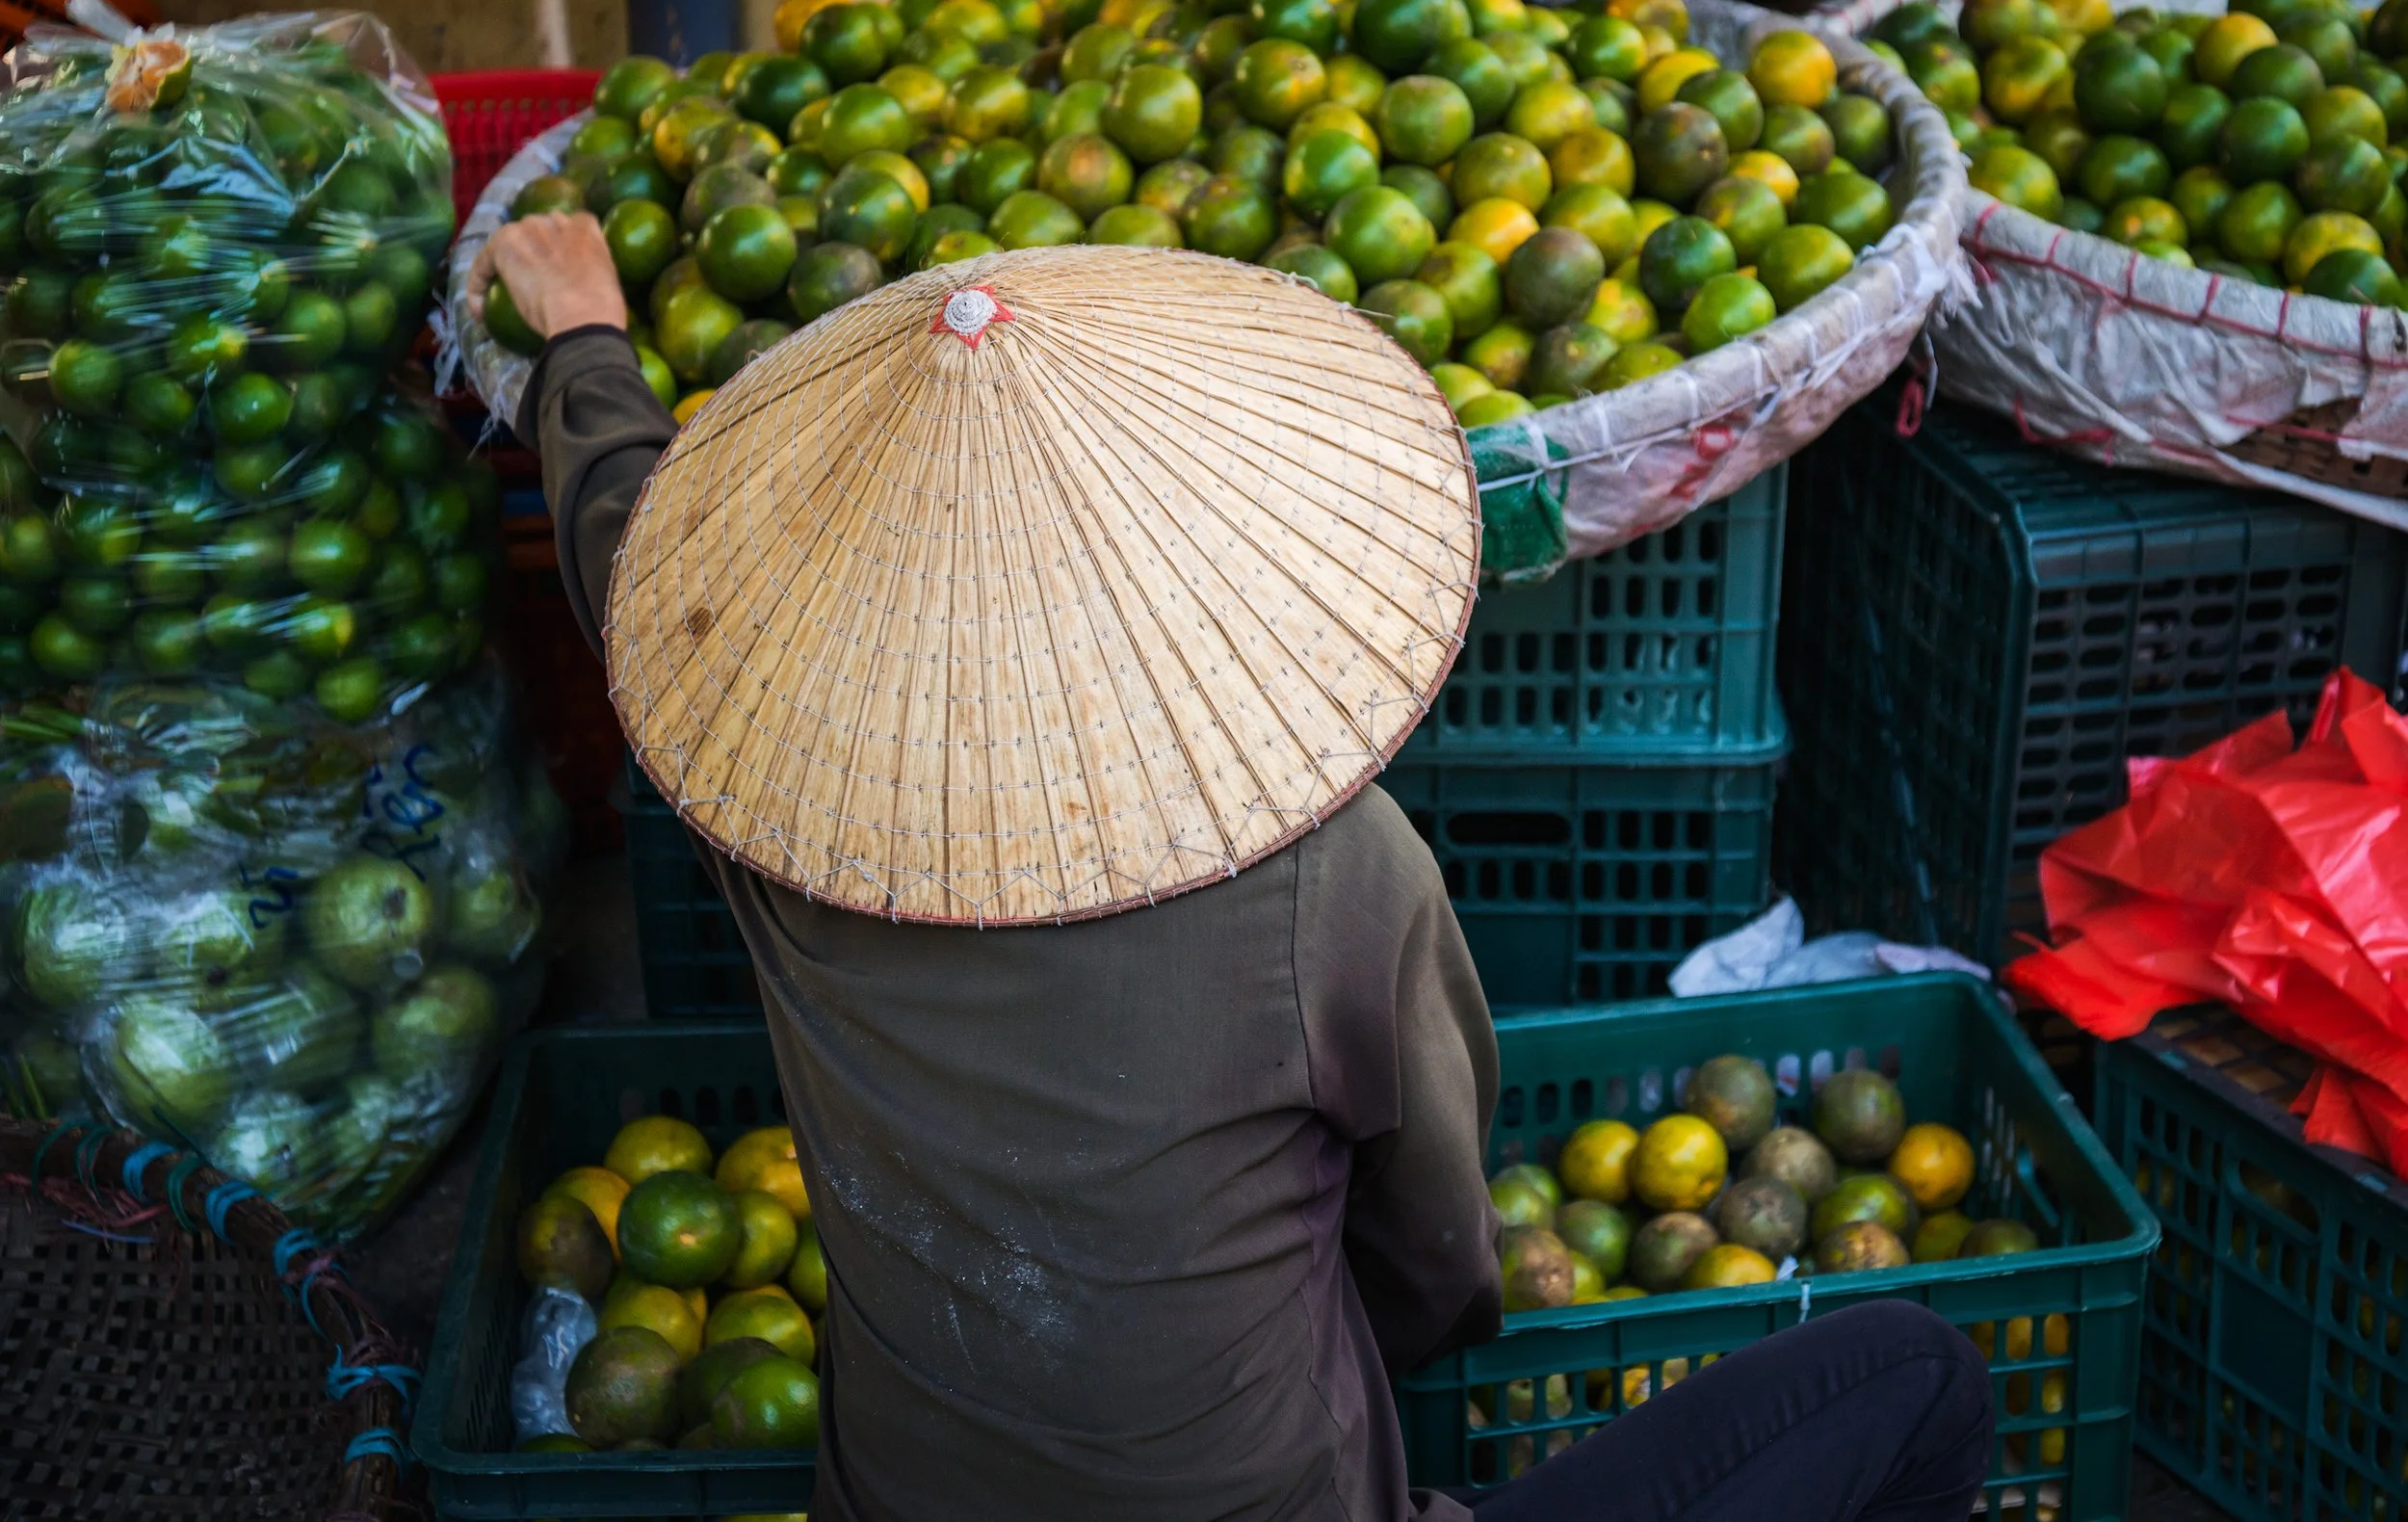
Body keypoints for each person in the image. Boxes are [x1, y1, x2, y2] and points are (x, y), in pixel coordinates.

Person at [472, 212, 1993, 1522]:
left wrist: (586, 339)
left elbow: (636, 557)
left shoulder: (782, 826)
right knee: (1918, 1376)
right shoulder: (1335, 873)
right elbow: (1439, 1254)